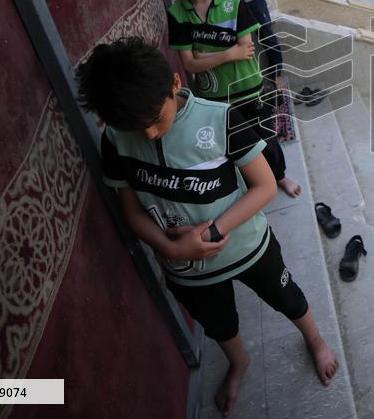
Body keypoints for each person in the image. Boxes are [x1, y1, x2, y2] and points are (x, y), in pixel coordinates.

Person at [76, 38, 339, 414]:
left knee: (286, 296)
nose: (149, 135)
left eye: (155, 120)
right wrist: (170, 248)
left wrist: (212, 233)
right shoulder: (117, 138)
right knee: (218, 323)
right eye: (136, 128)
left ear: (174, 85)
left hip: (248, 246)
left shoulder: (220, 119)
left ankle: (314, 338)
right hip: (186, 269)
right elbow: (131, 211)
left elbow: (263, 186)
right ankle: (239, 361)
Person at [165, 0, 301, 198]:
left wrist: (207, 54)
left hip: (249, 87)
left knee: (265, 137)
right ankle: (251, 185)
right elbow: (189, 63)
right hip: (214, 96)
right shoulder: (177, 14)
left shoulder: (233, 0)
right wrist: (229, 53)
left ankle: (279, 176)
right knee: (230, 144)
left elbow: (246, 48)